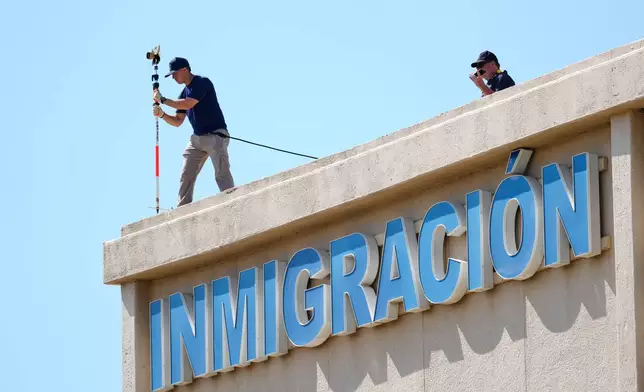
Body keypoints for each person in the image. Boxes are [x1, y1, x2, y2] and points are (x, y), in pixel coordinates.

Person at [152, 57, 235, 207]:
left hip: (216, 135)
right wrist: (162, 115)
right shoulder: (182, 94)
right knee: (186, 174)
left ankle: (232, 201)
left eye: (174, 73)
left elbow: (189, 103)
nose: (173, 77)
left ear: (184, 70)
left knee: (221, 173)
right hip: (197, 139)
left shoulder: (202, 83)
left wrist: (163, 100)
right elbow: (178, 121)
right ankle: (182, 207)